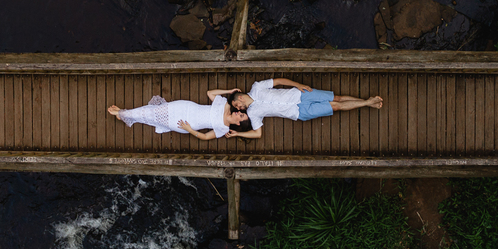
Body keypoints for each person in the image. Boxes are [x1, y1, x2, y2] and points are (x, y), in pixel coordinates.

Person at [206, 78, 382, 139]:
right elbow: (257, 134)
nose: (239, 109)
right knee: (335, 106)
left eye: (237, 105)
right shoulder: (252, 114)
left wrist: (298, 85)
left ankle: (367, 101)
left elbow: (280, 82)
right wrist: (239, 133)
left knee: (337, 98)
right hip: (298, 113)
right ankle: (367, 103)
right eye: (237, 108)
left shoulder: (257, 86)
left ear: (240, 97)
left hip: (300, 95)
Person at [106, 94, 250, 141]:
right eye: (241, 112)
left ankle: (124, 114)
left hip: (185, 123)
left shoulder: (223, 128)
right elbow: (210, 93)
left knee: (154, 118)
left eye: (241, 115)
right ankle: (125, 114)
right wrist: (229, 92)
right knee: (154, 110)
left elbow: (205, 137)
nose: (238, 112)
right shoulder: (225, 105)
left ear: (238, 123)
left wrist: (189, 129)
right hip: (185, 107)